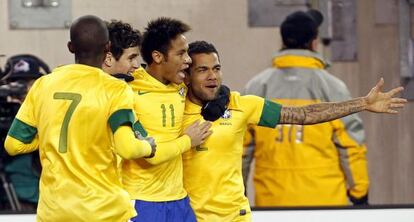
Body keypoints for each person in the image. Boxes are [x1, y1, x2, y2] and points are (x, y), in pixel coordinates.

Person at [181, 40, 406, 221]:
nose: (213, 76)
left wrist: (364, 103)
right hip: (191, 216)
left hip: (236, 217)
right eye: (202, 70)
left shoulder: (242, 105)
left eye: (217, 68)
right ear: (187, 76)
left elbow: (304, 115)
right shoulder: (174, 110)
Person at [4, 15, 156, 221]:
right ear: (107, 47)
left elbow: (13, 145)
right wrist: (148, 147)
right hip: (104, 211)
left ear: (70, 47)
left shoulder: (43, 85)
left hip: (54, 212)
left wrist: (50, 135)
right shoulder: (115, 89)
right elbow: (127, 148)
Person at [242, 9, 378, 207]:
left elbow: (240, 150)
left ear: (283, 42)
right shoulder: (332, 87)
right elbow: (351, 146)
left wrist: (240, 195)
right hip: (326, 205)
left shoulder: (255, 88)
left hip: (272, 205)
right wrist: (360, 193)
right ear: (314, 42)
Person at [121, 17, 211, 222]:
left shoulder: (180, 86)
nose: (188, 60)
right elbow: (151, 154)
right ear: (158, 57)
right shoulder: (129, 91)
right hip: (142, 202)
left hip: (179, 200)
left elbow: (208, 87)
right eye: (181, 53)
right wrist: (188, 140)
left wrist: (222, 94)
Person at [0, 54, 49, 211]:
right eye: (13, 83)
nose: (21, 89)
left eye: (28, 83)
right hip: (7, 202)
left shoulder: (49, 112)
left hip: (40, 203)